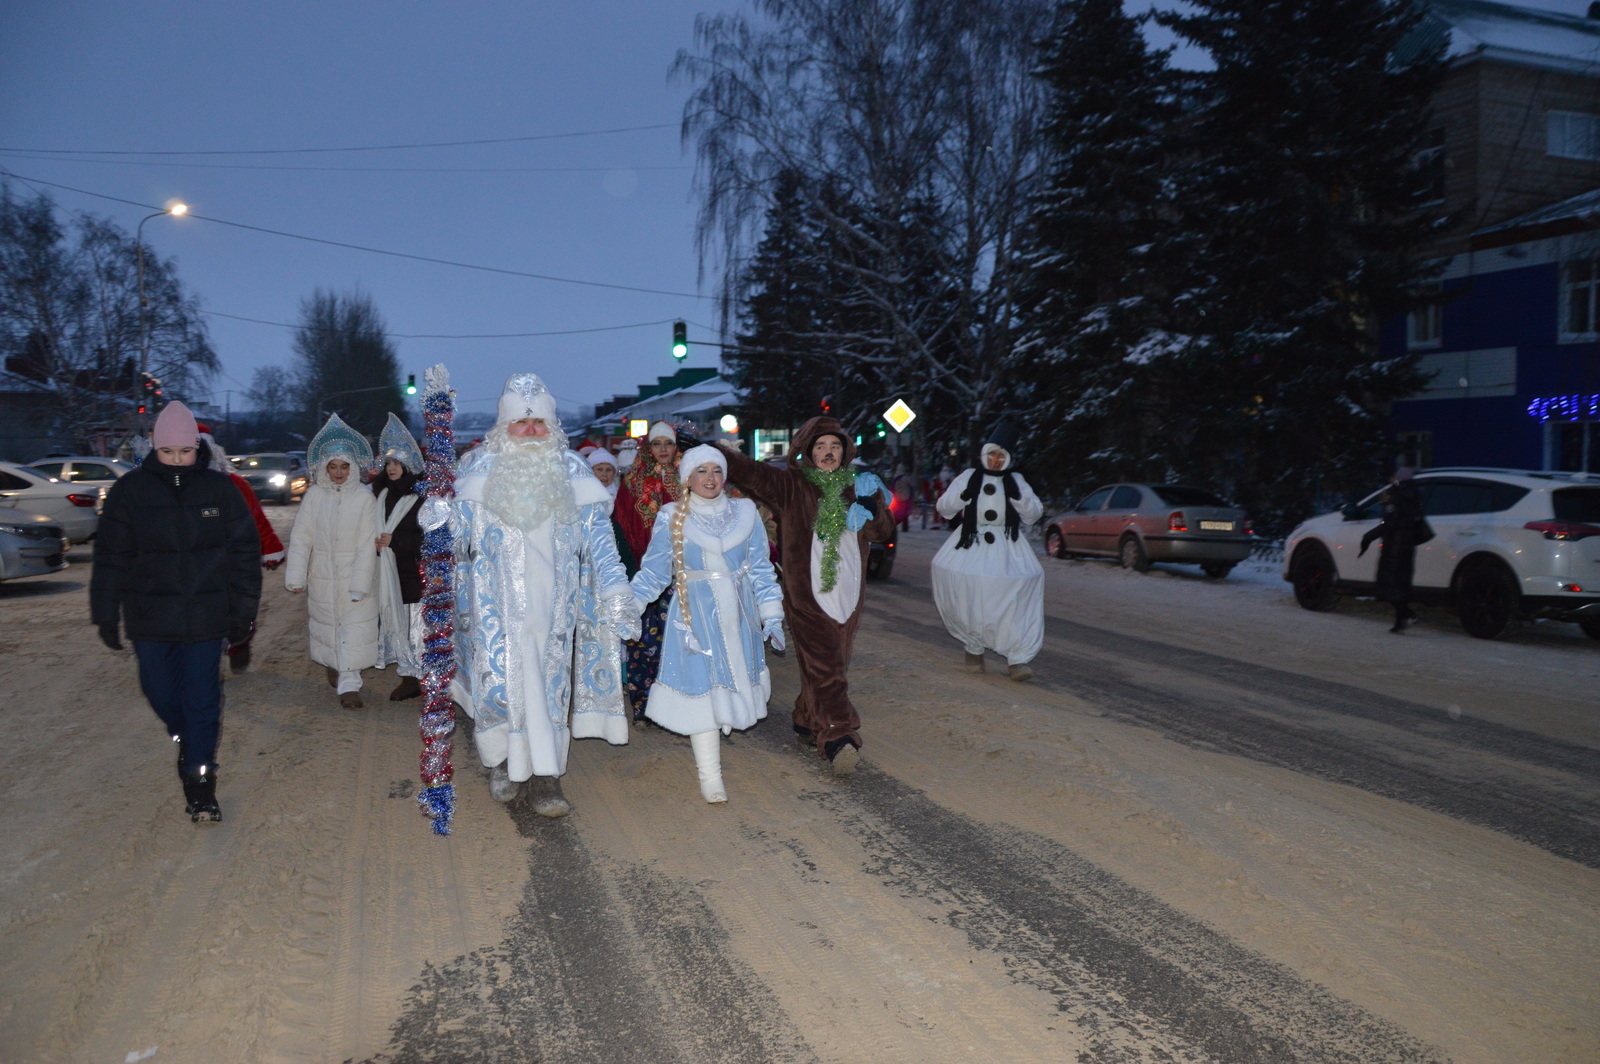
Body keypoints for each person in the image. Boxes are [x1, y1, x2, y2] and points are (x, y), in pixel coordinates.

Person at [435, 373, 637, 817]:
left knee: (548, 692)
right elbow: (451, 543)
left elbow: (600, 542)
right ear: (504, 427)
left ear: (553, 427)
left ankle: (546, 777)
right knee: (500, 688)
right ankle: (505, 761)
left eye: (540, 424)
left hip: (554, 611)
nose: (531, 432)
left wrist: (618, 590)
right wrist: (436, 518)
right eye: (522, 424)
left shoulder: (573, 474)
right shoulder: (477, 473)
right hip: (494, 610)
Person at [91, 401, 262, 823]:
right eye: (168, 453)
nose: (177, 460)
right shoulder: (130, 491)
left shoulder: (219, 490)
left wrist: (243, 613)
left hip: (206, 617)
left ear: (196, 448)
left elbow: (245, 553)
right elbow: (111, 555)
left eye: (185, 452)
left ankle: (201, 784)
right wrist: (105, 612)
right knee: (160, 692)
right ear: (154, 448)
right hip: (150, 617)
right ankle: (186, 737)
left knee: (203, 700)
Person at [713, 416, 895, 775]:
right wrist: (711, 450)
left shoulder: (859, 485)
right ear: (808, 452)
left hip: (848, 590)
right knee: (826, 664)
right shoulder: (791, 485)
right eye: (821, 446)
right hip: (807, 592)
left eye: (835, 446)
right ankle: (838, 735)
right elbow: (750, 472)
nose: (828, 453)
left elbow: (883, 530)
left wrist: (873, 510)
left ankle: (805, 717)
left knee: (833, 663)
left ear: (845, 451)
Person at [628, 445, 785, 802]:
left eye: (716, 470)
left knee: (730, 685)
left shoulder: (746, 514)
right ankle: (710, 777)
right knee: (703, 690)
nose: (710, 478)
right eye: (701, 471)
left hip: (739, 617)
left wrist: (772, 614)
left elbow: (761, 567)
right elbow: (654, 573)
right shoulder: (673, 517)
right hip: (695, 620)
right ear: (688, 478)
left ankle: (715, 766)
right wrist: (629, 607)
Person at [931, 422, 1045, 681]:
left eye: (1001, 457)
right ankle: (973, 645)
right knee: (970, 594)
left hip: (1008, 547)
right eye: (992, 455)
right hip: (971, 543)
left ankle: (1018, 657)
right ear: (985, 454)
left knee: (1014, 597)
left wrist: (1019, 498)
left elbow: (1033, 515)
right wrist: (962, 496)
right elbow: (944, 508)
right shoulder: (969, 475)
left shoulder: (1016, 480)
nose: (995, 461)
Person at [284, 413, 380, 708]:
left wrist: (360, 583)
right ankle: (335, 663)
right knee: (327, 624)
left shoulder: (365, 499)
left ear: (353, 468)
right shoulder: (314, 497)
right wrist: (296, 577)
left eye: (344, 466)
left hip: (355, 574)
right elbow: (302, 538)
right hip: (323, 574)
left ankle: (350, 684)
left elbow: (367, 544)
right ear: (325, 468)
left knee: (355, 627)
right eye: (333, 467)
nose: (338, 472)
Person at [192, 425, 284, 673]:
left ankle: (238, 643)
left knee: (241, 611)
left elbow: (255, 517)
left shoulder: (235, 484)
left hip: (238, 560)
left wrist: (270, 548)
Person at [614, 422, 683, 721]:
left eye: (669, 443)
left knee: (680, 641)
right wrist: (632, 571)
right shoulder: (632, 482)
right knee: (645, 642)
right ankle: (647, 705)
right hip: (646, 574)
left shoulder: (690, 478)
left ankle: (684, 705)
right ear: (648, 447)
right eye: (657, 444)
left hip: (684, 575)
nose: (664, 449)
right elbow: (621, 527)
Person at [372, 413, 426, 701]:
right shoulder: (380, 493)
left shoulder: (421, 498)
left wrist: (396, 540)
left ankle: (420, 677)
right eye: (389, 463)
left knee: (416, 627)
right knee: (398, 624)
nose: (392, 468)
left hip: (414, 571)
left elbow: (430, 537)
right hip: (389, 570)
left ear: (409, 466)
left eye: (397, 464)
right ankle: (408, 675)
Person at [1360, 468, 1431, 633]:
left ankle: (1407, 615)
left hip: (1394, 547)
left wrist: (1370, 535)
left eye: (1394, 478)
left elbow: (1390, 523)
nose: (1391, 480)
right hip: (1407, 547)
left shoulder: (1398, 498)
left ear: (1399, 480)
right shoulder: (1413, 496)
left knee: (1389, 585)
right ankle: (1402, 620)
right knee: (1400, 586)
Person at [588, 448, 638, 576]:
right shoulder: (583, 497)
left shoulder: (621, 498)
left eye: (608, 470)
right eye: (599, 469)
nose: (604, 474)